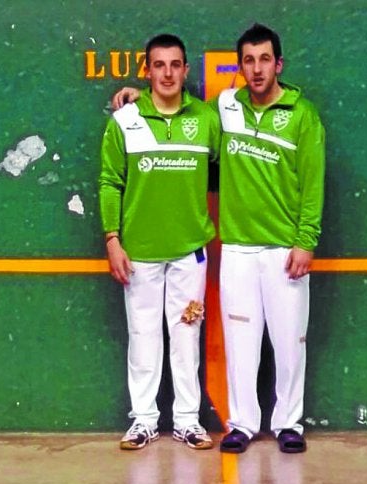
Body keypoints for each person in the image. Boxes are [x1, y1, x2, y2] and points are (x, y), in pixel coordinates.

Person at [111, 23, 325, 454]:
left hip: (285, 248)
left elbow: (313, 181)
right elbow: (175, 111)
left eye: (265, 59)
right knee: (240, 344)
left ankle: (289, 423)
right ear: (240, 67)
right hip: (238, 248)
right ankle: (242, 424)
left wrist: (306, 240)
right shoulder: (225, 108)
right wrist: (140, 97)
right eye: (249, 60)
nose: (257, 68)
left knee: (289, 344)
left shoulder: (303, 116)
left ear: (279, 64)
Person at [99, 33, 221, 451]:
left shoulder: (207, 119)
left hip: (189, 252)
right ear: (147, 71)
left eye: (174, 65)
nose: (167, 73)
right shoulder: (125, 121)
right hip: (139, 253)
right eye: (159, 65)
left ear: (185, 70)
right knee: (143, 335)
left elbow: (228, 164)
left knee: (186, 335)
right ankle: (144, 420)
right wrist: (113, 239)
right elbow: (110, 182)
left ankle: (187, 420)